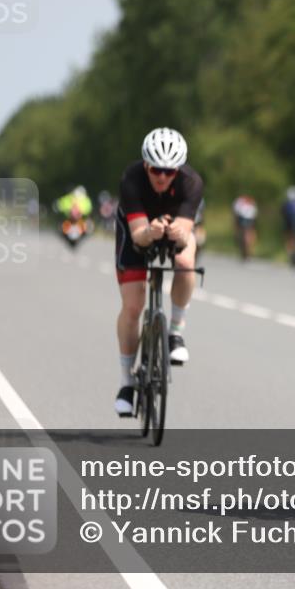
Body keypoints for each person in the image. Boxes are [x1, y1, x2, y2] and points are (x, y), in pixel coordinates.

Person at [113, 127, 203, 416]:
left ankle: (175, 331)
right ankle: (127, 383)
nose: (161, 176)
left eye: (168, 171)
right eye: (155, 170)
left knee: (186, 262)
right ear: (145, 166)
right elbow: (139, 236)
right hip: (137, 230)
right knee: (133, 306)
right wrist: (150, 232)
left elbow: (187, 233)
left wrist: (177, 232)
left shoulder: (191, 182)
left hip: (174, 227)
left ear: (177, 170)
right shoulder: (131, 178)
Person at [232, 194, 258, 261]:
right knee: (248, 234)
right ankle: (247, 250)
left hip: (244, 219)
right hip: (248, 219)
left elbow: (236, 213)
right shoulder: (250, 202)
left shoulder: (239, 202)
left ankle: (246, 249)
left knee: (245, 235)